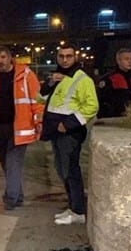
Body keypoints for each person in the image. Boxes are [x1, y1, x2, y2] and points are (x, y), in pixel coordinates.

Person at [0, 46, 44, 210]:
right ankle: (18, 196)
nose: (0, 61)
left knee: (13, 163)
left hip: (21, 128)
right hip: (0, 129)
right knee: (6, 164)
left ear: (10, 58)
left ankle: (10, 199)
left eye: (3, 57)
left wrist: (39, 122)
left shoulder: (26, 75)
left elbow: (38, 101)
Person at [41, 43, 100, 225]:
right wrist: (50, 83)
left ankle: (78, 211)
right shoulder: (59, 77)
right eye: (61, 56)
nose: (64, 60)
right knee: (62, 170)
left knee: (70, 171)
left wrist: (68, 125)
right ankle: (72, 206)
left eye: (68, 56)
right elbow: (40, 97)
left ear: (75, 58)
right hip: (56, 131)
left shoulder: (83, 79)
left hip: (69, 133)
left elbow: (92, 106)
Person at [96, 48, 131, 118]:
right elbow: (101, 100)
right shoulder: (110, 79)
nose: (130, 62)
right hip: (113, 118)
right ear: (118, 61)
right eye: (126, 59)